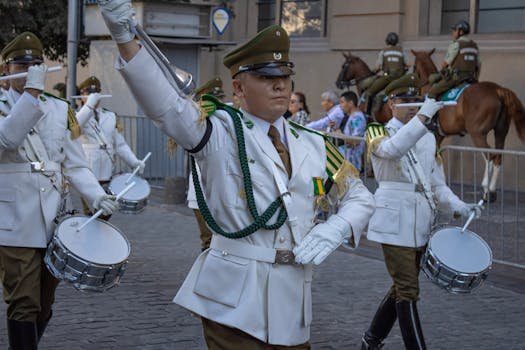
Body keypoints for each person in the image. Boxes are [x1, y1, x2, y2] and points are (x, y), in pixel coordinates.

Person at [98, 2, 375, 348]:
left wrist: (338, 227)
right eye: (265, 77)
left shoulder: (315, 144)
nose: (279, 86)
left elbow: (360, 197)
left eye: (284, 77)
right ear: (240, 89)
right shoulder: (221, 132)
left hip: (291, 304)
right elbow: (167, 108)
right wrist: (125, 38)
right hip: (231, 302)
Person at [0, 32, 118, 349]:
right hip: (12, 220)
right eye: (21, 64)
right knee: (23, 299)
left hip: (53, 218)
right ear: (6, 70)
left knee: (44, 300)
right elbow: (6, 140)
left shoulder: (58, 109)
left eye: (36, 64)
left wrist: (95, 195)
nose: (29, 68)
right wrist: (32, 94)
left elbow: (76, 165)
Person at [361, 78, 483, 350]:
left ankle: (371, 340)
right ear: (391, 103)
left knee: (401, 289)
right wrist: (425, 115)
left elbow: (437, 184)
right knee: (408, 290)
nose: (413, 107)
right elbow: (392, 150)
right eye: (405, 102)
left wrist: (459, 206)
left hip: (420, 222)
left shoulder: (428, 138)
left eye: (416, 101)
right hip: (393, 222)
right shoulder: (376, 130)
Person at [75, 75, 145, 218]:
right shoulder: (78, 115)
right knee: (91, 213)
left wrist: (134, 161)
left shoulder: (110, 116)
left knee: (106, 213)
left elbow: (120, 145)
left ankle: (99, 238)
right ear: (81, 94)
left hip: (106, 171)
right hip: (88, 172)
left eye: (96, 93)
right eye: (88, 92)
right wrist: (88, 107)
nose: (93, 96)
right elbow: (75, 126)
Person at [186, 76, 226, 251]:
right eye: (210, 99)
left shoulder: (229, 118)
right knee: (208, 241)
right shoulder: (194, 122)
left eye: (219, 99)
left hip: (226, 189)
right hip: (201, 189)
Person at [427, 20, 481, 99]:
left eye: (455, 30)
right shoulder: (474, 45)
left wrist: (442, 72)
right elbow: (479, 64)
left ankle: (430, 111)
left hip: (456, 78)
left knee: (433, 91)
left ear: (461, 32)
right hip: (470, 78)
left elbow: (446, 63)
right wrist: (476, 78)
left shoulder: (456, 44)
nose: (453, 32)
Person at [359, 32, 409, 115]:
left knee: (370, 92)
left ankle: (367, 114)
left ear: (387, 41)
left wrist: (373, 72)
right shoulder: (401, 51)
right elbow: (407, 65)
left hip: (387, 78)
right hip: (400, 79)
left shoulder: (384, 51)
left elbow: (378, 67)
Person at [337, 91, 366, 172]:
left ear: (350, 103)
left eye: (342, 102)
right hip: (347, 163)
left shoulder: (357, 118)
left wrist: (339, 134)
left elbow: (355, 141)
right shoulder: (353, 116)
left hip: (352, 164)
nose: (340, 105)